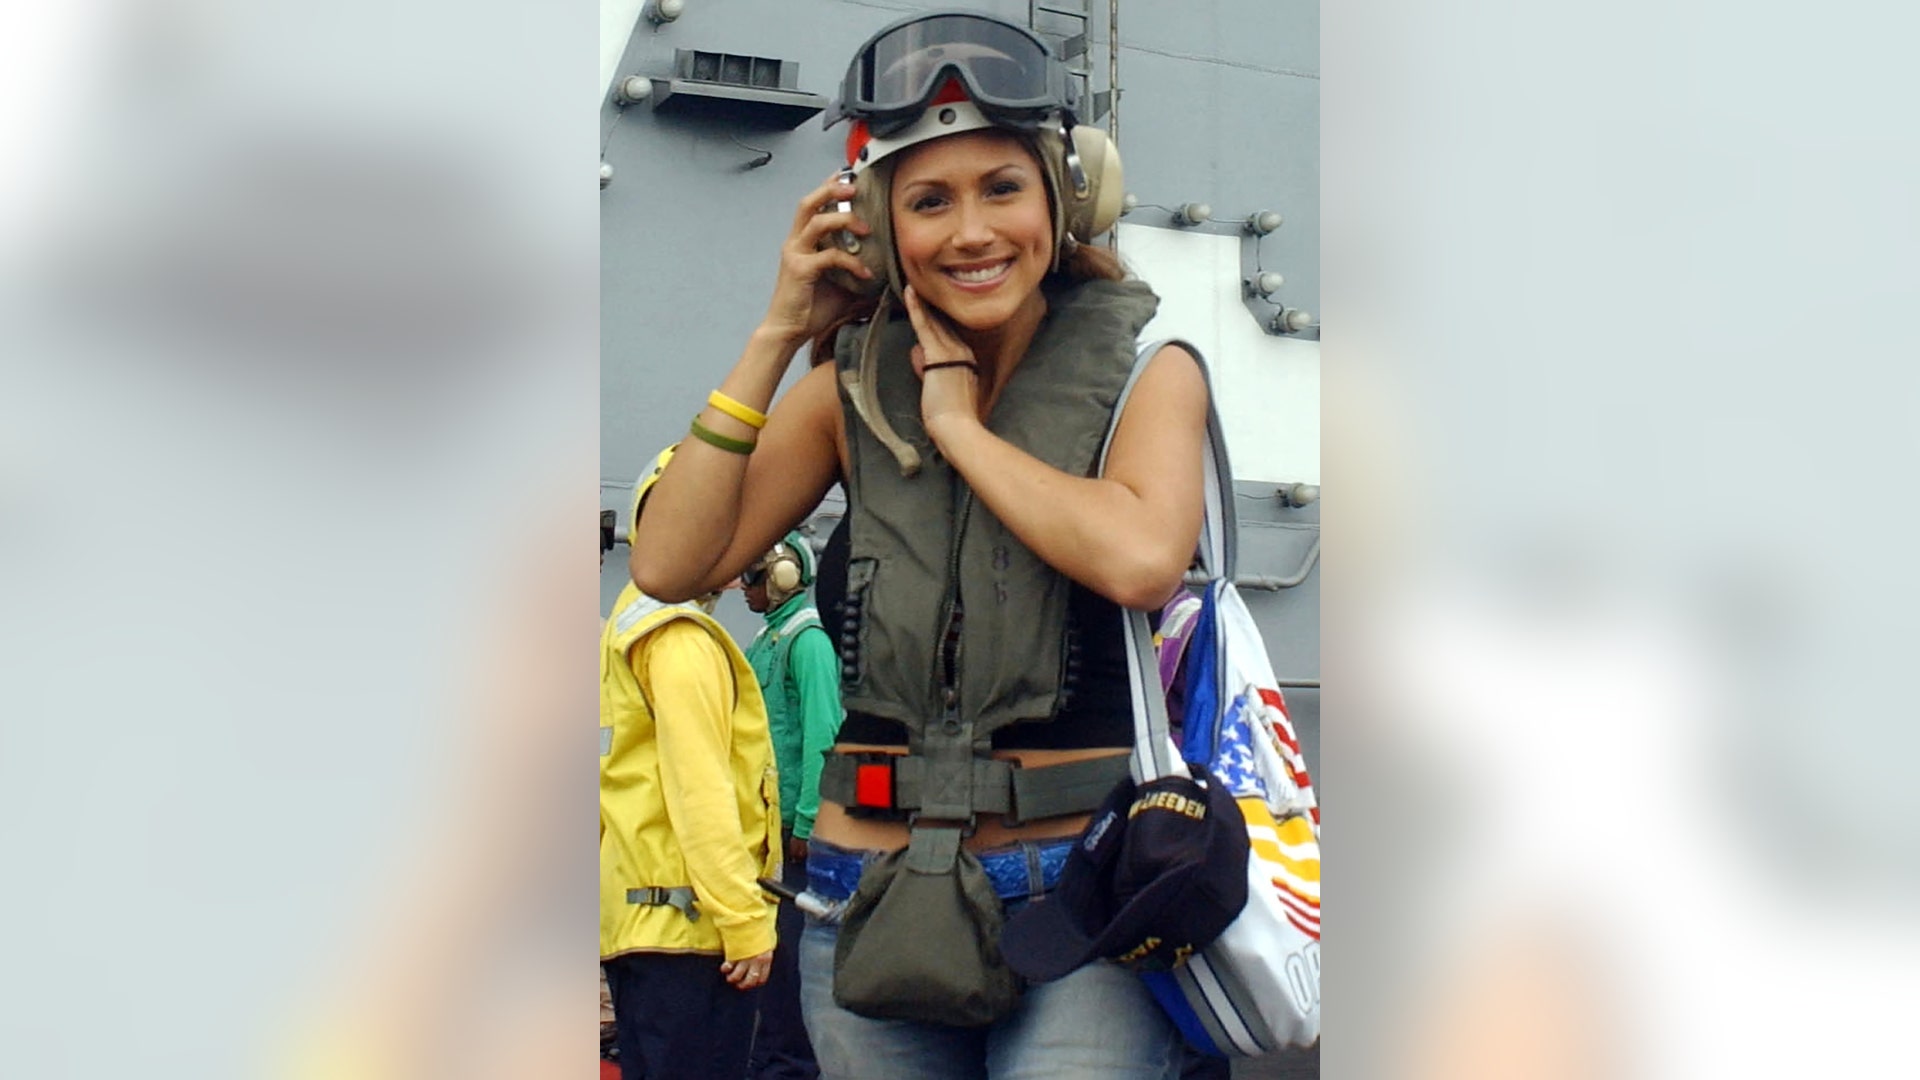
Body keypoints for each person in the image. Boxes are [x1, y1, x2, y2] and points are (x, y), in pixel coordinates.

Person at [629, 11, 1210, 1079]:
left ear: (1062, 197)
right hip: (866, 896)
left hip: (1076, 898)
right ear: (881, 224)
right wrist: (776, 334)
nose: (971, 231)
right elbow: (670, 564)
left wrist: (956, 429)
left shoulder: (1148, 372)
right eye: (928, 201)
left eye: (1002, 188)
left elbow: (1139, 557)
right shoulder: (847, 382)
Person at [602, 444, 781, 1080]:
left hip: (643, 926)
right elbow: (701, 791)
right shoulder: (681, 640)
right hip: (691, 934)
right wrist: (745, 921)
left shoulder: (626, 623)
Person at [742, 531, 843, 1080]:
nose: (744, 586)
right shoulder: (768, 639)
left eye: (754, 576)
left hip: (790, 830)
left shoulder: (807, 641)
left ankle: (790, 1066)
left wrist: (806, 820)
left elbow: (821, 735)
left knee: (790, 962)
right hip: (766, 827)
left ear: (782, 576)